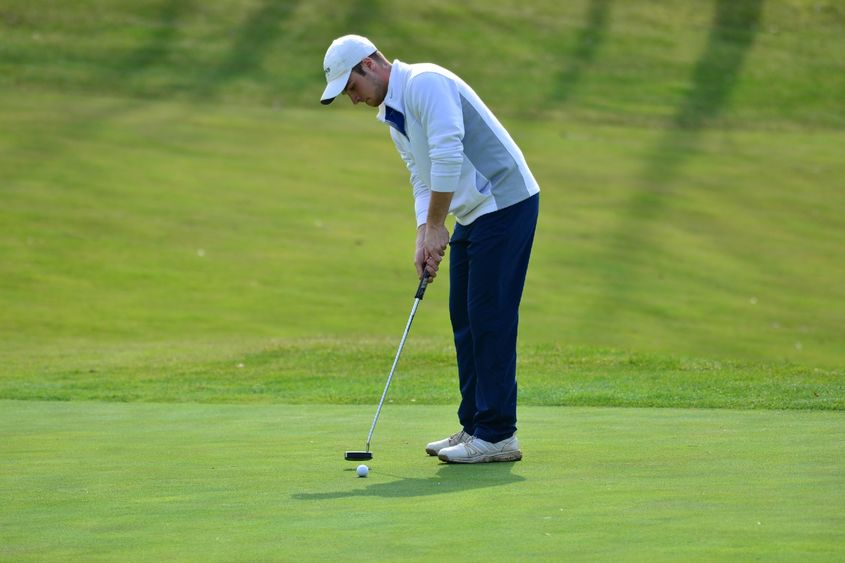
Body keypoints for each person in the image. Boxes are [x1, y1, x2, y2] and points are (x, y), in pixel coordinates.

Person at [320, 35, 540, 463]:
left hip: (506, 202)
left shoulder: (424, 83)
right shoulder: (393, 114)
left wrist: (440, 224)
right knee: (465, 317)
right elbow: (421, 176)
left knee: (489, 316)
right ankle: (476, 425)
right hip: (475, 212)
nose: (353, 100)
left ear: (369, 65)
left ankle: (497, 434)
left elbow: (447, 153)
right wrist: (425, 232)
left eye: (351, 87)